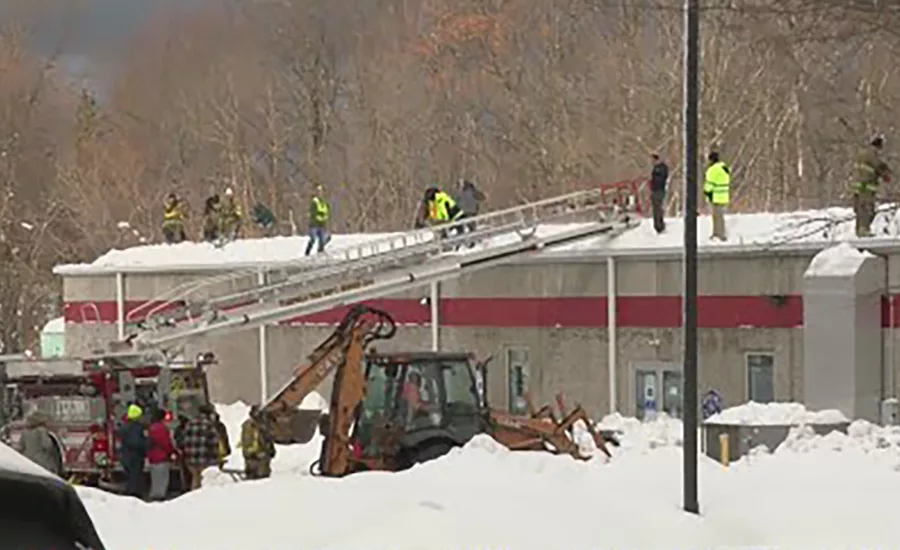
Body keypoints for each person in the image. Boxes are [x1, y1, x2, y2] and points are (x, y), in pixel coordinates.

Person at [853, 136, 892, 237]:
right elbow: (879, 165)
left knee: (860, 209)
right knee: (867, 209)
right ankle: (863, 230)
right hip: (866, 187)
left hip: (858, 187)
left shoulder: (862, 154)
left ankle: (859, 231)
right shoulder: (871, 154)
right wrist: (886, 174)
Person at [181, 404, 219, 491]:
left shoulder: (190, 423)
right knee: (203, 481)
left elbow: (184, 440)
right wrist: (216, 459)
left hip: (190, 458)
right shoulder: (209, 425)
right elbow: (214, 443)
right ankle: (200, 499)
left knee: (195, 478)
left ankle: (193, 496)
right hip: (204, 458)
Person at [117, 404, 148, 498]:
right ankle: (133, 495)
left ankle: (130, 492)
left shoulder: (124, 426)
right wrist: (147, 444)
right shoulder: (136, 428)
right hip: (135, 456)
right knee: (135, 476)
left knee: (131, 476)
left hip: (125, 455)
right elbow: (136, 442)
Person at [146, 408, 176, 501]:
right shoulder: (161, 428)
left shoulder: (152, 427)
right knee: (162, 477)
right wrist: (172, 451)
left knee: (155, 476)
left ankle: (155, 493)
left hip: (153, 456)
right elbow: (165, 442)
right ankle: (159, 495)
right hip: (161, 456)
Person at [17, 411, 60, 475]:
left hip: (28, 461)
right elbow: (47, 446)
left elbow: (20, 447)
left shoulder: (25, 432)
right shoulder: (41, 431)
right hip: (42, 462)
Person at [241, 406, 276, 480]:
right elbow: (246, 442)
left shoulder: (263, 426)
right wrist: (251, 453)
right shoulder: (248, 426)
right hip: (253, 458)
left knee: (263, 478)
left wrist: (270, 449)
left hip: (263, 458)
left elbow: (268, 440)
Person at [704, 151, 731, 241]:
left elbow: (709, 184)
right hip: (724, 195)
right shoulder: (724, 167)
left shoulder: (712, 170)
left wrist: (706, 191)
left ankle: (718, 234)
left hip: (715, 196)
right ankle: (721, 233)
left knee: (716, 216)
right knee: (720, 216)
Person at [305, 184, 331, 256]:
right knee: (313, 239)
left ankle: (320, 252)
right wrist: (319, 215)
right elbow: (314, 212)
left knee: (323, 239)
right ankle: (307, 253)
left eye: (321, 191)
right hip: (314, 224)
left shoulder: (324, 202)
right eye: (318, 191)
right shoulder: (314, 201)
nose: (320, 193)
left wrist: (324, 217)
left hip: (322, 224)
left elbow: (326, 211)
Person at [650, 154, 669, 234]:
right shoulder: (656, 168)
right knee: (656, 208)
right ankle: (658, 224)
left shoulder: (661, 168)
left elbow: (661, 178)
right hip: (655, 189)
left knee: (657, 208)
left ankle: (659, 225)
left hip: (659, 189)